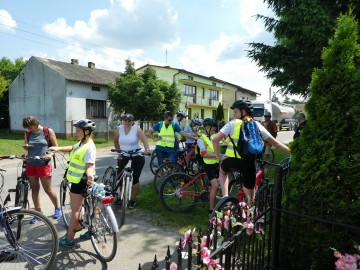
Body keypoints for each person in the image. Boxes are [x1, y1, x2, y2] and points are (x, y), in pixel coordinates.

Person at [212, 100, 290, 204]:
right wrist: (292, 152)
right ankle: (249, 210)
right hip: (249, 162)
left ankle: (226, 198)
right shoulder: (257, 124)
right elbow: (275, 143)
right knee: (250, 198)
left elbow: (215, 140)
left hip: (231, 161)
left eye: (235, 112)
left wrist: (219, 157)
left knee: (223, 171)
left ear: (243, 112)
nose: (234, 115)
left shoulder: (232, 123)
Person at [49, 119, 96, 247]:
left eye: (78, 130)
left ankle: (69, 239)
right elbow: (72, 148)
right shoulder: (81, 143)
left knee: (75, 210)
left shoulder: (89, 147)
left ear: (86, 132)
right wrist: (58, 148)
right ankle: (91, 230)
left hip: (80, 182)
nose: (76, 133)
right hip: (78, 181)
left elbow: (90, 166)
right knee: (87, 207)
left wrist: (90, 175)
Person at [22, 116, 61, 224]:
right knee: (35, 189)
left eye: (29, 127)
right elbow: (27, 146)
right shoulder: (28, 133)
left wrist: (50, 154)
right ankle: (38, 213)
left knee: (48, 189)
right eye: (27, 128)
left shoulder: (48, 131)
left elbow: (55, 147)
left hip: (43, 164)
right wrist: (26, 147)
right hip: (31, 163)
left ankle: (57, 208)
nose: (28, 130)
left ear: (35, 124)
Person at [113, 114, 150, 209]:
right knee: (120, 178)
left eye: (130, 120)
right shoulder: (119, 129)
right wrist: (119, 152)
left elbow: (144, 140)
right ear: (123, 121)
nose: (127, 122)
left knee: (135, 178)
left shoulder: (136, 129)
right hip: (124, 155)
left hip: (136, 155)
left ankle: (133, 200)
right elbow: (116, 141)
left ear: (132, 121)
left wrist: (147, 150)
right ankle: (121, 198)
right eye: (126, 120)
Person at [197, 118, 219, 215]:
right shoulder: (201, 140)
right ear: (206, 128)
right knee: (215, 185)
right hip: (207, 164)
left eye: (215, 130)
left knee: (215, 185)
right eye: (212, 129)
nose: (214, 131)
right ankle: (211, 210)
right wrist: (218, 156)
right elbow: (205, 154)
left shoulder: (213, 137)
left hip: (215, 163)